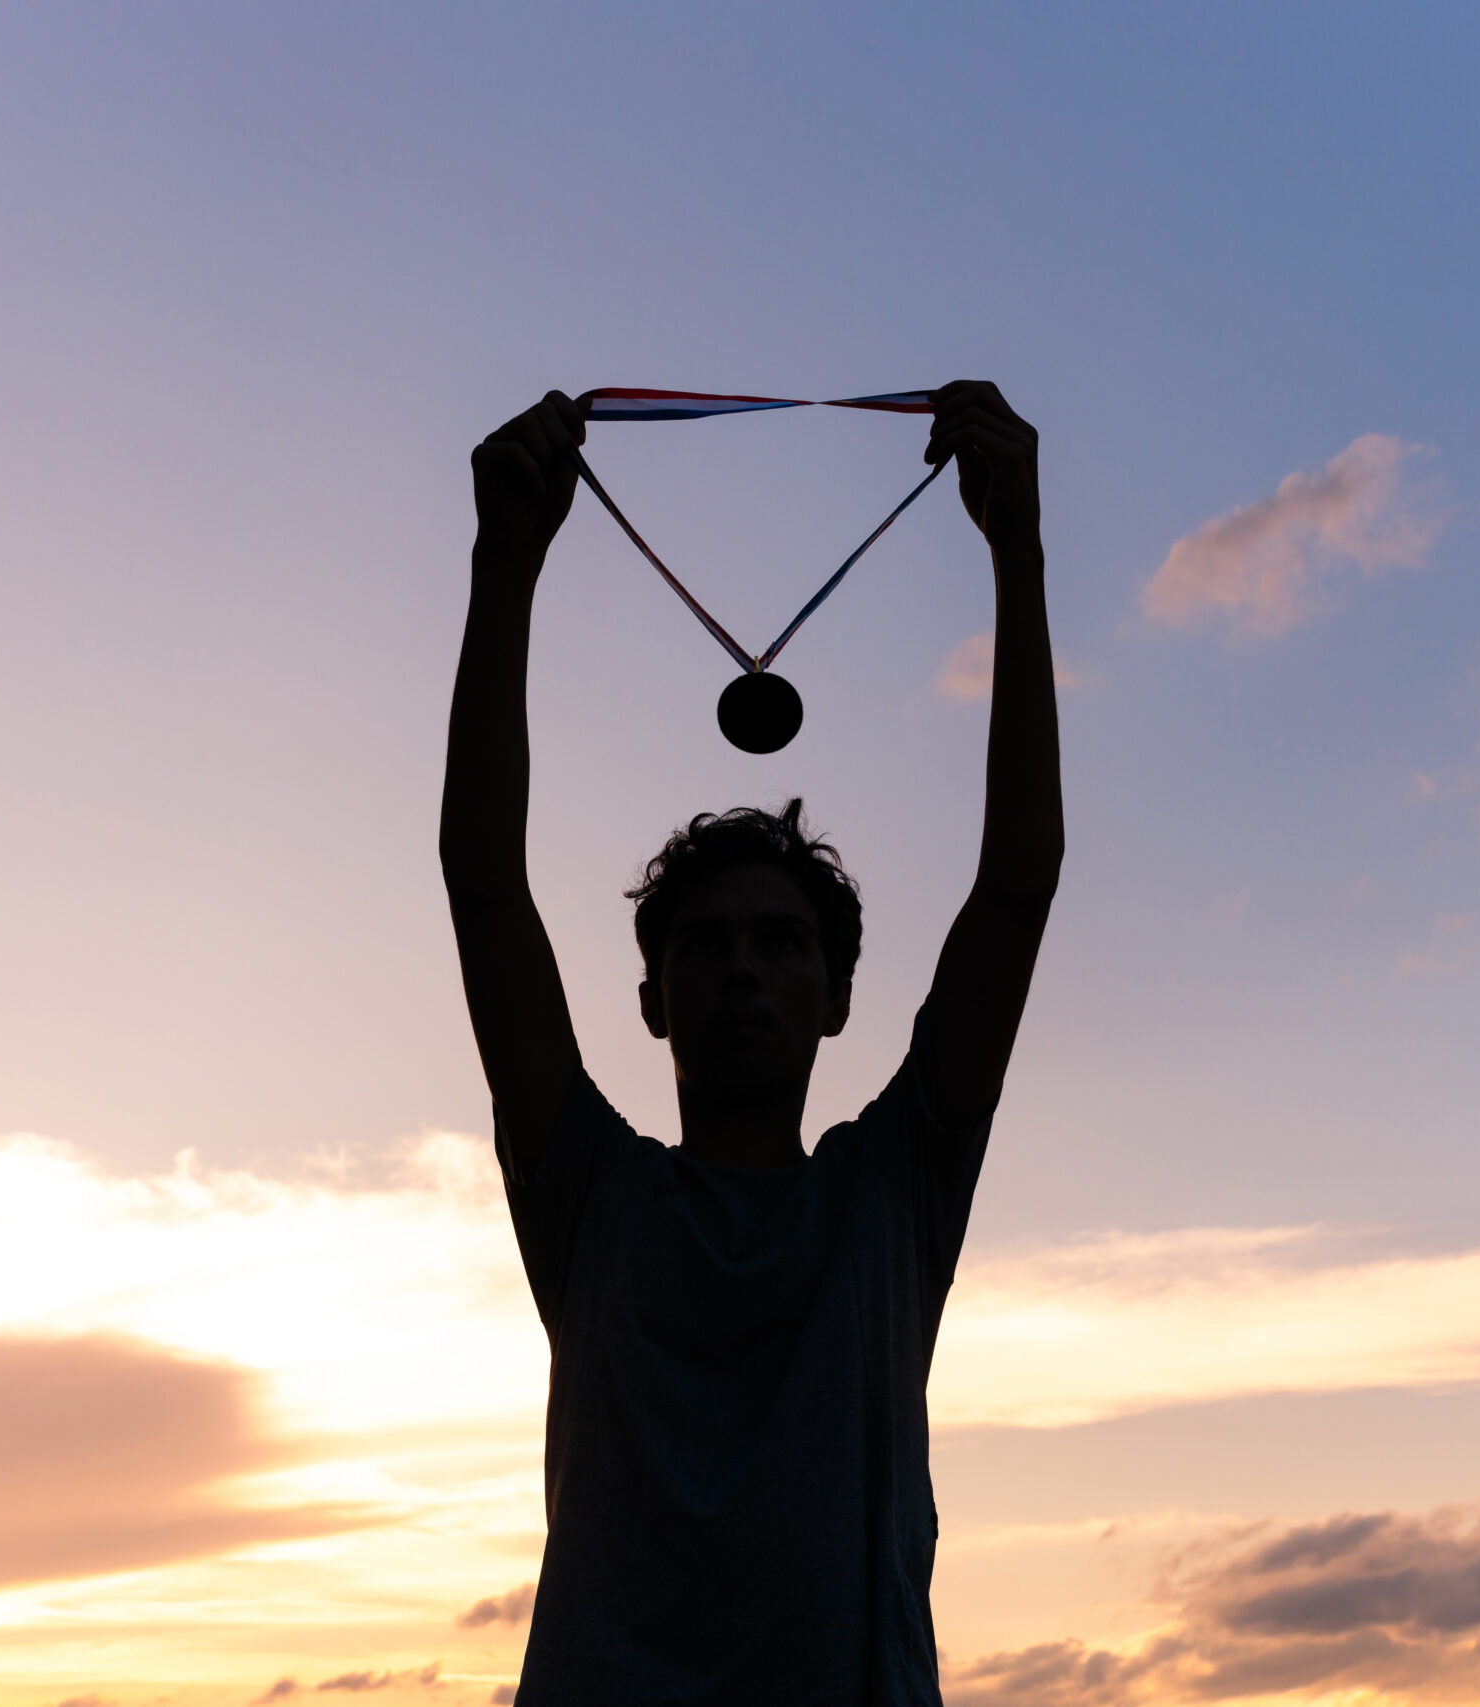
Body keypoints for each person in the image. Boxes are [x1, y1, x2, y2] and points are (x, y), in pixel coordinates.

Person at [440, 382, 1062, 1705]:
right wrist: (508, 559)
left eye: (781, 944)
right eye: (706, 947)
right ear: (653, 997)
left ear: (839, 996)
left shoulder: (892, 1193)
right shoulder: (591, 1191)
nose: (740, 969)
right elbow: (484, 880)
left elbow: (1020, 881)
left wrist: (1018, 548)